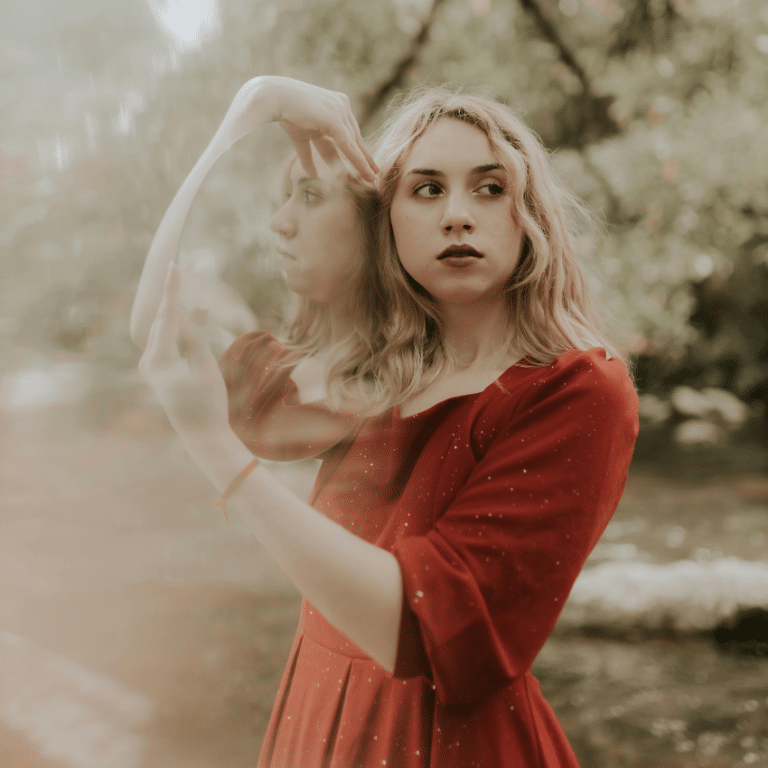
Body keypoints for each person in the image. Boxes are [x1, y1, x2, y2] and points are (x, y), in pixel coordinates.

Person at [138, 83, 639, 767]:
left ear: (529, 216)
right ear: (389, 222)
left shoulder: (578, 389)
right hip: (314, 727)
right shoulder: (368, 373)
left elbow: (417, 625)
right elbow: (157, 327)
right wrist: (245, 114)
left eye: (490, 189)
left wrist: (221, 455)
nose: (458, 215)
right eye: (426, 190)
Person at [130, 76, 382, 459]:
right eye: (284, 197)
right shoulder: (265, 368)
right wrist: (252, 105)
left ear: (373, 232)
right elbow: (150, 321)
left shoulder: (419, 387)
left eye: (311, 195)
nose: (279, 221)